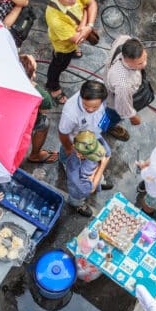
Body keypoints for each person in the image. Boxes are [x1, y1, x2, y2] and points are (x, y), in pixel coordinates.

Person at [57, 81, 113, 216]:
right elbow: (63, 133)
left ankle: (97, 179)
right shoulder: (71, 113)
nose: (90, 109)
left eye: (95, 107)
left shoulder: (100, 90)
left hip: (93, 138)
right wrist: (70, 150)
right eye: (86, 106)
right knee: (78, 177)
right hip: (75, 144)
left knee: (92, 168)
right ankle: (76, 202)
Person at [45, 0, 98, 103]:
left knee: (71, 50)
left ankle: (74, 50)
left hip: (76, 33)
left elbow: (92, 3)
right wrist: (86, 19)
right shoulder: (54, 17)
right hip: (64, 46)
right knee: (59, 65)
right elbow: (79, 38)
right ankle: (53, 86)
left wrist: (87, 25)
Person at [103, 36, 147, 141]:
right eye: (139, 63)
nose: (145, 64)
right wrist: (133, 117)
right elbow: (122, 106)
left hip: (110, 79)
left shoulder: (124, 39)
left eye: (145, 58)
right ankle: (108, 127)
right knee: (112, 116)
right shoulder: (123, 83)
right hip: (114, 99)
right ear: (127, 61)